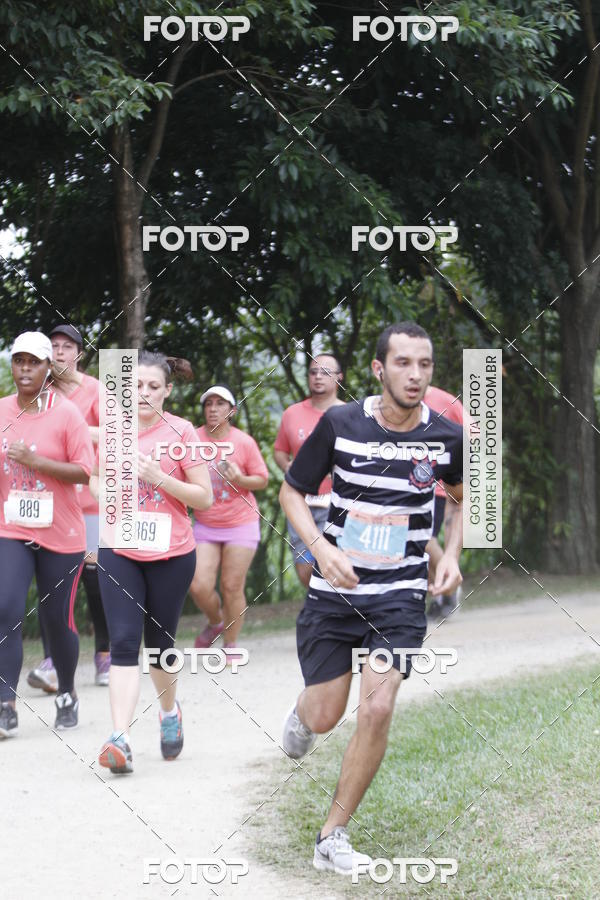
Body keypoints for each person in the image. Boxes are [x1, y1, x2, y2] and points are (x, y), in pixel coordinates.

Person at [279, 322, 463, 874]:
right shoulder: (340, 423)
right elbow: (291, 492)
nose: (415, 374)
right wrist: (320, 549)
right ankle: (302, 715)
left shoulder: (447, 437)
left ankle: (332, 835)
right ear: (380, 369)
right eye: (403, 363)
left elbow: (459, 498)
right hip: (334, 593)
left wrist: (451, 554)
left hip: (400, 596)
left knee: (377, 706)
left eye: (424, 365)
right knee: (326, 712)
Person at [91, 352, 212, 774]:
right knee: (124, 641)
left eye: (153, 387)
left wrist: (157, 477)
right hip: (119, 549)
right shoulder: (112, 429)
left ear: (167, 391)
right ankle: (120, 737)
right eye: (136, 385)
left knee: (160, 647)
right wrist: (105, 493)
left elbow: (204, 497)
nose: (143, 393)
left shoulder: (182, 432)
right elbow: (92, 477)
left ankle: (169, 711)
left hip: (171, 553)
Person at [0, 332, 94, 738]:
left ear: (47, 368)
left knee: (57, 620)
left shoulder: (67, 413)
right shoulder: (2, 410)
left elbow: (83, 471)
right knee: (5, 609)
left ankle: (67, 694)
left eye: (33, 362)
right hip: (11, 528)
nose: (25, 369)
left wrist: (35, 461)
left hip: (62, 531)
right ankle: (5, 703)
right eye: (18, 361)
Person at [26, 323, 110, 692]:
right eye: (53, 347)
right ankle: (51, 663)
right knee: (53, 585)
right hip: (51, 503)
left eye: (66, 346)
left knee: (95, 580)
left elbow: (118, 434)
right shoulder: (40, 392)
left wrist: (72, 428)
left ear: (78, 353)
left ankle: (104, 654)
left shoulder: (96, 390)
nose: (59, 352)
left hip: (92, 500)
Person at [188, 385, 269, 659]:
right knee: (198, 584)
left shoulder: (243, 442)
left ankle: (231, 643)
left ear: (231, 411)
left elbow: (262, 479)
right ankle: (215, 623)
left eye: (220, 404)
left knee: (232, 585)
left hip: (241, 523)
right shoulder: (192, 438)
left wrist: (239, 480)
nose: (212, 409)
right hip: (206, 523)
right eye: (208, 403)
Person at [274, 354, 344, 586]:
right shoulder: (291, 413)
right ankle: (322, 606)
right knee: (305, 568)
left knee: (335, 562)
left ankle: (336, 614)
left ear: (339, 378)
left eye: (325, 372)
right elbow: (280, 451)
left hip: (337, 501)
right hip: (300, 501)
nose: (318, 377)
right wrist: (287, 466)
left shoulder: (350, 414)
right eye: (313, 372)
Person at [424, 384, 465, 619]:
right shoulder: (386, 405)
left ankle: (450, 582)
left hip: (436, 486)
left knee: (425, 540)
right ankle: (441, 593)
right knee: (416, 544)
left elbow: (473, 433)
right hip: (403, 487)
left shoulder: (445, 400)